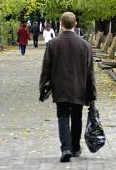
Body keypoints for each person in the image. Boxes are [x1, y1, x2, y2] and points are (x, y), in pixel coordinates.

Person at [39, 11, 96, 163]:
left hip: (60, 88)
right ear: (75, 24)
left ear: (61, 24)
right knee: (77, 117)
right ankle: (76, 148)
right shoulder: (85, 45)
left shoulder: (53, 44)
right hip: (79, 88)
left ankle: (66, 148)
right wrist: (92, 94)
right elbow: (90, 72)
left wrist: (43, 88)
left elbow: (46, 69)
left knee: (63, 117)